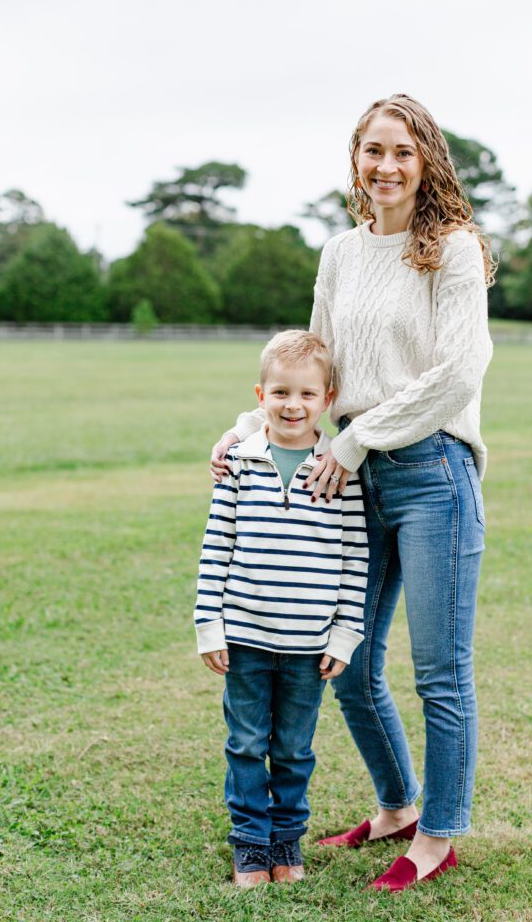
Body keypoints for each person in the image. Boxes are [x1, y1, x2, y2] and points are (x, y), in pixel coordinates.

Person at [210, 94, 494, 892]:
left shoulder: (454, 250)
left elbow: (458, 374)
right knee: (350, 659)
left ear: (426, 160)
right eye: (372, 150)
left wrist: (358, 436)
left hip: (432, 470)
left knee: (440, 671)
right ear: (355, 159)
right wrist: (248, 422)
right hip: (351, 474)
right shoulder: (339, 251)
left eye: (401, 152)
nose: (385, 166)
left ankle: (437, 834)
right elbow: (312, 365)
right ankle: (399, 805)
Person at [196, 330, 368, 887]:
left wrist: (344, 635)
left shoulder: (340, 468)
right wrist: (209, 624)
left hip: (308, 646)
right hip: (245, 634)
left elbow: (355, 558)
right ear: (260, 394)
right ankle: (249, 843)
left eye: (306, 395)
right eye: (280, 393)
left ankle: (285, 841)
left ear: (328, 399)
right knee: (246, 744)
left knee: (294, 749)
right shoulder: (239, 462)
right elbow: (216, 544)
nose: (292, 405)